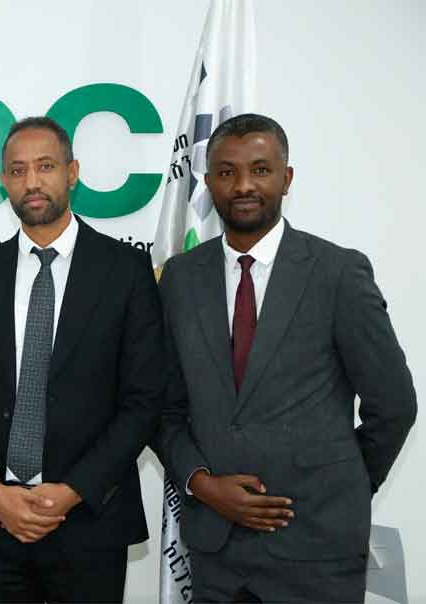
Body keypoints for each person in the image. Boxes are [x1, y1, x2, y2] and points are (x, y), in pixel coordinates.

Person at [156, 113, 417, 602]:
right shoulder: (180, 278)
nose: (243, 185)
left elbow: (395, 405)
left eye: (260, 169)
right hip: (215, 554)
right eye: (227, 172)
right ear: (208, 183)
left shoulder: (337, 273)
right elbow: (166, 409)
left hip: (317, 551)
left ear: (286, 178)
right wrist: (203, 485)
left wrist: (337, 486)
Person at [0, 116, 164, 603]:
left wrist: (72, 490)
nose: (32, 182)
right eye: (18, 170)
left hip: (90, 521)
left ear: (72, 173)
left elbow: (143, 401)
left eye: (45, 166)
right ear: (4, 181)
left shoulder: (125, 270)